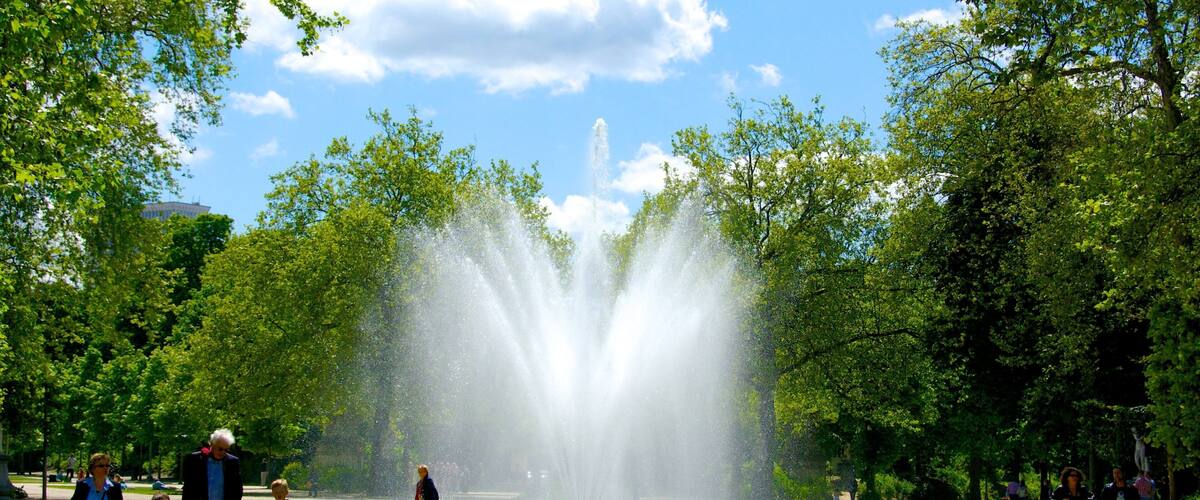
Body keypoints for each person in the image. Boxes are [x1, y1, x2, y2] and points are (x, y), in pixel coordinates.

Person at [182, 429, 243, 500]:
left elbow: (237, 489)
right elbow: (188, 488)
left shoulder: (233, 462)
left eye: (226, 450)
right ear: (212, 444)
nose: (223, 452)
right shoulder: (194, 460)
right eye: (220, 449)